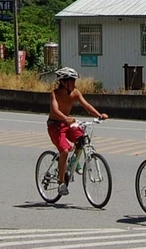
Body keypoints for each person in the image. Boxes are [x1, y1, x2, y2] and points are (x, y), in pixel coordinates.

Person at [47, 67, 108, 196]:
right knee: (64, 151)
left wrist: (99, 115)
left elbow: (86, 106)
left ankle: (74, 162)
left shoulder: (75, 93)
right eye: (72, 81)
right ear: (63, 82)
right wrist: (65, 118)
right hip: (55, 126)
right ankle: (61, 183)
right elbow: (54, 110)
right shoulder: (55, 93)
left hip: (68, 124)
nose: (74, 84)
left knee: (82, 138)